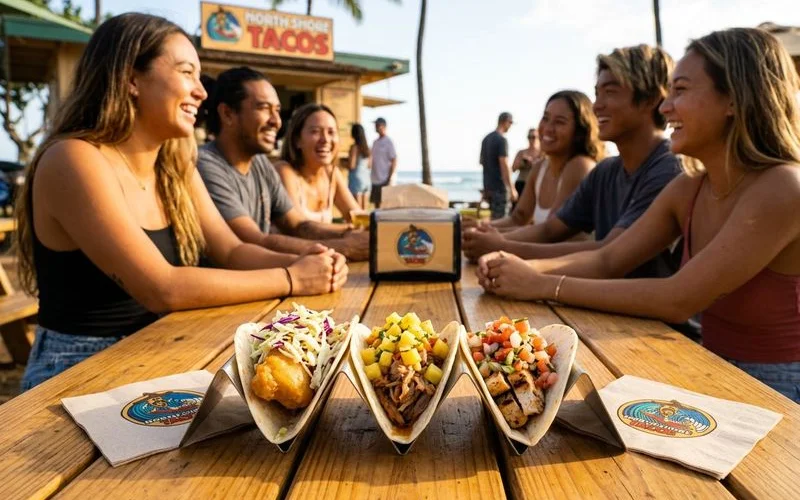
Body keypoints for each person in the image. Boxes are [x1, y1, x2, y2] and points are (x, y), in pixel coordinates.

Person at [16, 14, 347, 390]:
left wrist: (311, 263)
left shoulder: (174, 164)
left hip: (162, 349)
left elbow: (233, 251)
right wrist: (293, 278)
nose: (202, 92)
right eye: (187, 72)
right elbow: (162, 288)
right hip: (75, 370)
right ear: (130, 79)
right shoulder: (73, 159)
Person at [478, 28, 800, 402]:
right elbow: (609, 257)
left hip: (777, 385)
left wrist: (542, 284)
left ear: (734, 99)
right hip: (710, 365)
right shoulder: (690, 187)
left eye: (680, 91)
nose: (665, 107)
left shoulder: (782, 187)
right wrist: (521, 269)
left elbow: (678, 297)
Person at [468, 45, 680, 279]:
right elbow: (551, 229)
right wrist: (489, 239)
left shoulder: (668, 168)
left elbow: (609, 254)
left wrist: (505, 249)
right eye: (597, 93)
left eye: (610, 92)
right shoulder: (606, 171)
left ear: (650, 99)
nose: (597, 105)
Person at [196, 67, 369, 261]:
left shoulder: (259, 163)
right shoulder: (206, 165)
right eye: (263, 108)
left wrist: (349, 234)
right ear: (227, 114)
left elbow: (297, 225)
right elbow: (253, 241)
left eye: (277, 110)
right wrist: (347, 247)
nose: (276, 121)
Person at [465, 91, 602, 237]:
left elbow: (549, 232)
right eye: (546, 118)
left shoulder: (580, 166)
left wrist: (494, 239)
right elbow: (518, 219)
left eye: (559, 122)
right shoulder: (540, 168)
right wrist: (479, 227)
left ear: (581, 130)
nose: (548, 128)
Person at [274, 103, 362, 225]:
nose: (325, 140)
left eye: (331, 132)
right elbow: (299, 228)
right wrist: (348, 232)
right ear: (297, 140)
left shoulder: (331, 174)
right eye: (315, 132)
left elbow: (357, 218)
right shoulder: (284, 171)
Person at [480, 112, 516, 219]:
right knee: (502, 222)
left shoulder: (486, 139)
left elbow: (482, 162)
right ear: (505, 122)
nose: (510, 126)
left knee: (493, 220)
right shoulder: (502, 140)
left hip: (489, 188)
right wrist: (512, 188)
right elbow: (504, 165)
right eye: (510, 123)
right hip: (500, 189)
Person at [370, 117, 397, 208]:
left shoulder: (388, 142)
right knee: (376, 204)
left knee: (385, 204)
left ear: (383, 126)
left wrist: (389, 177)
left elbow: (394, 159)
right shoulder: (375, 142)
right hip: (375, 178)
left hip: (384, 178)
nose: (376, 127)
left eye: (377, 125)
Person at [512, 128, 542, 202]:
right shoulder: (521, 152)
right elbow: (513, 168)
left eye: (534, 137)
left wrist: (534, 163)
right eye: (529, 137)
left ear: (538, 137)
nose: (531, 139)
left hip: (537, 183)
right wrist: (523, 162)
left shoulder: (542, 153)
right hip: (522, 183)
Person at [348, 123, 371, 208]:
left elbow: (351, 165)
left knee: (357, 210)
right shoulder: (368, 149)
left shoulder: (354, 147)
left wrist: (342, 163)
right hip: (366, 179)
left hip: (356, 179)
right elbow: (369, 165)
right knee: (364, 210)